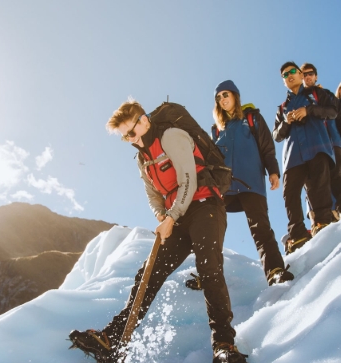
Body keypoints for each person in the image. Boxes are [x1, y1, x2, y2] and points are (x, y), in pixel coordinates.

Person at [69, 100, 247, 363]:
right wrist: (162, 215)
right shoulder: (143, 159)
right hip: (178, 216)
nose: (130, 140)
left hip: (205, 205)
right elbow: (153, 196)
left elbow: (189, 179)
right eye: (124, 137)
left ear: (143, 121)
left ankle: (224, 345)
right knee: (149, 272)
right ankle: (113, 339)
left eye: (131, 132)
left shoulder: (171, 137)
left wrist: (171, 216)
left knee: (209, 266)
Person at [204, 80, 293, 286]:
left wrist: (273, 171)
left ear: (235, 95)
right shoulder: (216, 129)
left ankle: (275, 271)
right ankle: (208, 275)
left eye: (225, 95)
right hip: (224, 187)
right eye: (218, 97)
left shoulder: (252, 118)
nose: (222, 99)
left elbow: (266, 146)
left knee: (260, 227)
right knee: (211, 227)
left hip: (251, 182)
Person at [273, 62, 341, 254]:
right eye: (285, 75)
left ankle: (324, 223)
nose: (289, 75)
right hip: (292, 156)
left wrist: (308, 111)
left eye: (292, 71)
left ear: (300, 74)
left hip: (317, 148)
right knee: (290, 194)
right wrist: (286, 121)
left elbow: (333, 112)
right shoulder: (282, 107)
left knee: (320, 187)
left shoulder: (317, 95)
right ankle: (298, 234)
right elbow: (276, 135)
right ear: (283, 81)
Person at [301, 63, 341, 220]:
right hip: (315, 144)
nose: (307, 76)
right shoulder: (299, 97)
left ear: (316, 76)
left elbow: (338, 116)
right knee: (318, 179)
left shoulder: (327, 94)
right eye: (304, 74)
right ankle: (324, 216)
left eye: (310, 73)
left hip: (333, 139)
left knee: (337, 174)